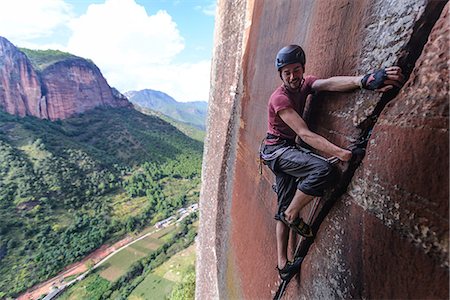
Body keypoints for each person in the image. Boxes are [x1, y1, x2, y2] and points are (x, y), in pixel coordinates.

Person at [260, 44, 404, 280]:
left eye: (296, 70)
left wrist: (364, 80)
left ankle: (283, 265)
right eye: (287, 73)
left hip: (281, 149)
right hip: (276, 150)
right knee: (323, 169)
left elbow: (329, 83)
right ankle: (292, 214)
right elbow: (304, 134)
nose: (293, 76)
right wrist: (343, 153)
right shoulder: (280, 98)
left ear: (302, 68)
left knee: (283, 205)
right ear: (281, 75)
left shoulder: (305, 84)